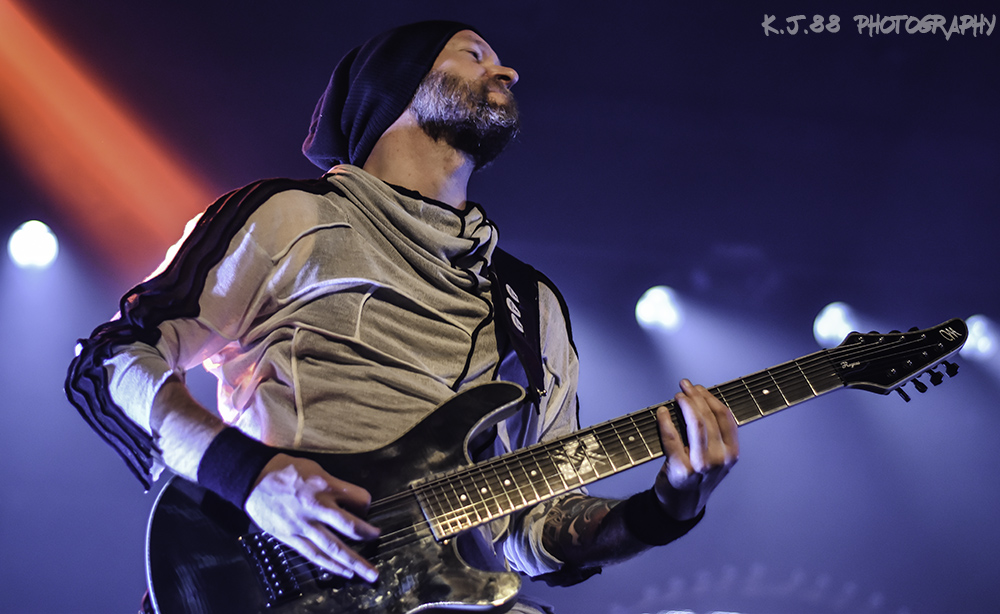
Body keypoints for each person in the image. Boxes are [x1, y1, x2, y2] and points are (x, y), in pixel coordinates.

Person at [66, 20, 739, 614]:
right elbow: (116, 358)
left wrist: (668, 506)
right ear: (398, 85)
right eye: (475, 54)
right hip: (274, 578)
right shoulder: (290, 218)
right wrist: (251, 479)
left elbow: (538, 532)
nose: (506, 71)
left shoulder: (532, 306)